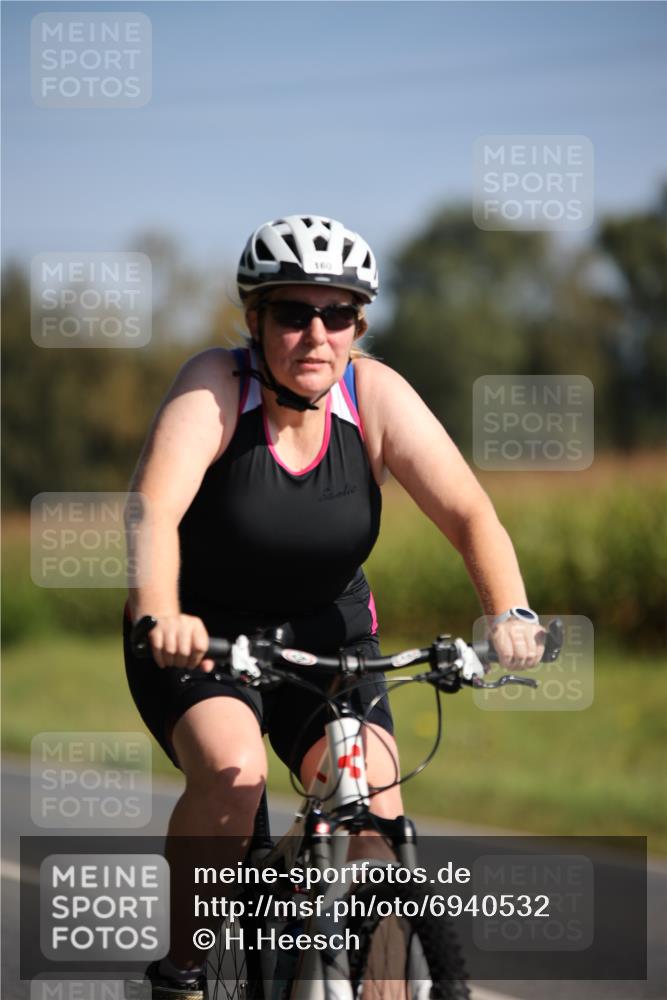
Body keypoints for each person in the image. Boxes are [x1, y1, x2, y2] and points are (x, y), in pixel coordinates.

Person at [123, 214, 544, 999]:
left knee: (375, 813)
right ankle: (182, 966)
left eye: (339, 313)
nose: (316, 334)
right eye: (293, 312)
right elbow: (153, 507)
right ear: (255, 320)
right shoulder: (217, 387)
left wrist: (510, 614)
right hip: (202, 634)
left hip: (330, 634)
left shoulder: (373, 395)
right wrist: (158, 615)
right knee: (232, 768)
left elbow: (469, 515)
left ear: (357, 325)